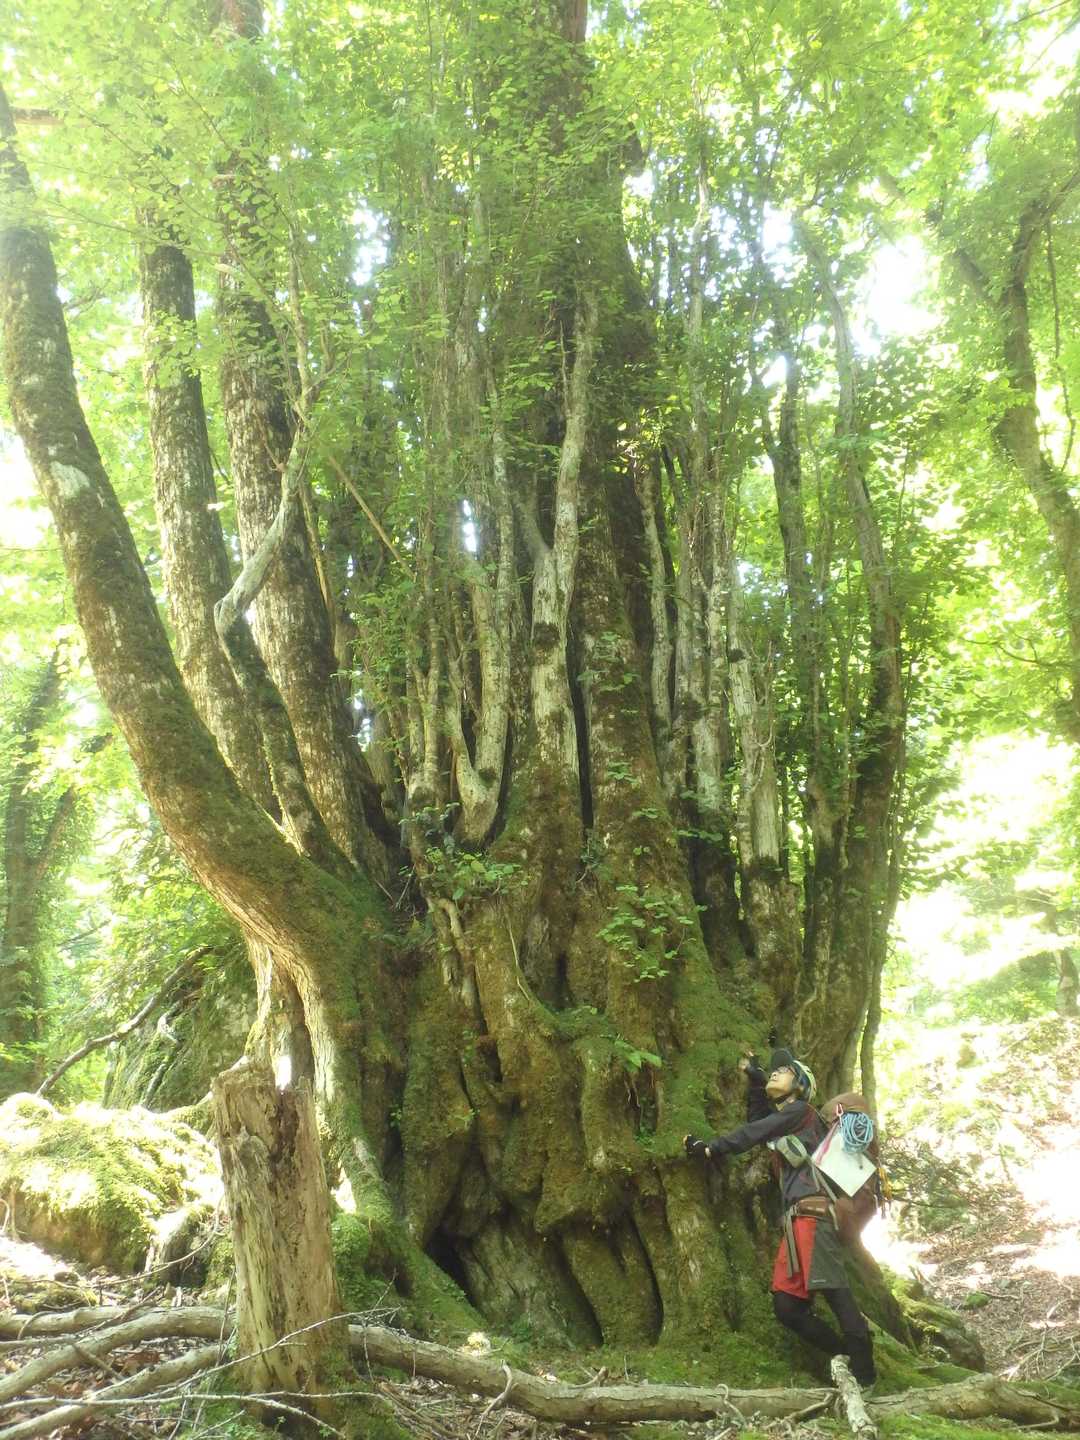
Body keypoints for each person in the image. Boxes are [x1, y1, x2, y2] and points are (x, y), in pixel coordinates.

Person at [684, 1047, 876, 1388]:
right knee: (787, 1308)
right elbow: (759, 1123)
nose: (776, 1072)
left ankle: (865, 1374)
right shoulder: (791, 1121)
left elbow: (756, 1131)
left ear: (800, 1086)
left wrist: (712, 1148)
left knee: (836, 1292)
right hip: (796, 1223)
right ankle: (843, 1352)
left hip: (815, 1218)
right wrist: (756, 1080)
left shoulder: (801, 1112)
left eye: (784, 1070)